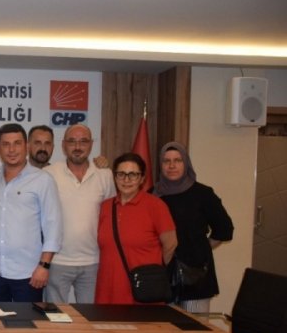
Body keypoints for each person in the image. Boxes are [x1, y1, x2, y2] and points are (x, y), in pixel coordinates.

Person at [0, 123, 62, 302]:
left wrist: (44, 266)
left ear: (26, 146)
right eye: (6, 144)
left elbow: (53, 225)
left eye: (17, 143)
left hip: (29, 273)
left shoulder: (43, 180)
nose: (11, 150)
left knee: (28, 320)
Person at [154, 142, 233, 313]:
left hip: (196, 277)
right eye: (166, 161)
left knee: (195, 328)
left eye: (178, 160)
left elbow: (225, 229)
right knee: (163, 327)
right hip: (162, 277)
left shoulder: (203, 194)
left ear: (186, 163)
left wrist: (200, 248)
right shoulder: (153, 195)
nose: (172, 166)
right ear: (160, 165)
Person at [44, 124, 115, 303]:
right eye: (72, 141)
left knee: (90, 315)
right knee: (56, 315)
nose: (77, 147)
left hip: (93, 261)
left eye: (83, 141)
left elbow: (111, 217)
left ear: (91, 145)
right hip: (57, 260)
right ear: (63, 145)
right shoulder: (49, 174)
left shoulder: (105, 175)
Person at [95, 152, 177, 304]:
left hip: (142, 293)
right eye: (121, 174)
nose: (126, 180)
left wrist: (154, 272)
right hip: (108, 291)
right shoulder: (106, 207)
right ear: (115, 177)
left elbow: (171, 244)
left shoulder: (155, 206)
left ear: (142, 178)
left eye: (133, 174)